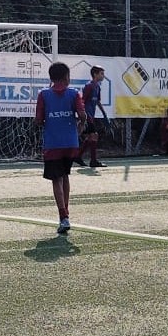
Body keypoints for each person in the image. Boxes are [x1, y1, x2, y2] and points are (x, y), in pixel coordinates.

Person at [35, 61, 87, 234]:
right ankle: (66, 213)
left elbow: (38, 120)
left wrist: (48, 121)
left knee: (56, 179)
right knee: (65, 175)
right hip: (71, 143)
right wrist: (80, 125)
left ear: (51, 78)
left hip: (53, 143)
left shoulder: (43, 94)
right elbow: (82, 115)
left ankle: (63, 217)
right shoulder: (74, 94)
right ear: (66, 77)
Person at [75, 64, 107, 168]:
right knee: (94, 135)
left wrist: (104, 114)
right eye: (101, 73)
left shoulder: (97, 87)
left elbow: (97, 101)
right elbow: (82, 101)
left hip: (91, 116)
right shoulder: (89, 86)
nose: (103, 76)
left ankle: (78, 156)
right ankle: (93, 161)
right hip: (87, 115)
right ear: (95, 74)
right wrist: (82, 115)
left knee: (91, 137)